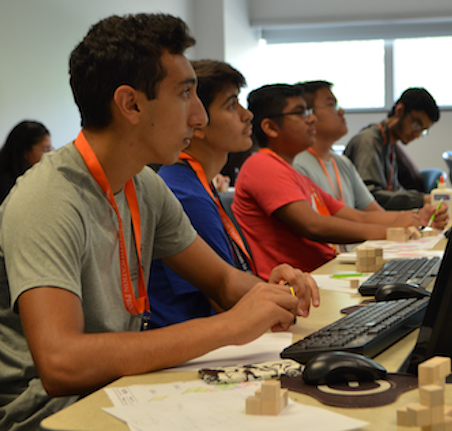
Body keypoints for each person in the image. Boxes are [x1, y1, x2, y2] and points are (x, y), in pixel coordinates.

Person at [0, 14, 318, 430]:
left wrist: (271, 293)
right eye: (186, 94)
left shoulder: (143, 185)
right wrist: (228, 326)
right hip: (51, 413)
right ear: (131, 104)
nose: (199, 117)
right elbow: (62, 364)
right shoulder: (47, 198)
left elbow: (222, 282)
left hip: (120, 390)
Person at [232, 84, 447, 279]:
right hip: (298, 287)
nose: (311, 118)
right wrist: (392, 230)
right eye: (300, 113)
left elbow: (359, 217)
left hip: (322, 276)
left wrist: (415, 217)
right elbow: (314, 225)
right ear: (270, 127)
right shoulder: (262, 164)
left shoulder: (293, 174)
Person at [148, 59, 257, 327]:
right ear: (198, 124)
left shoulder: (195, 182)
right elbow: (226, 300)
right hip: (189, 350)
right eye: (232, 105)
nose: (247, 115)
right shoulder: (184, 193)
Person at [293, 80, 443, 220]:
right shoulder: (368, 142)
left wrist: (418, 217)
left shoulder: (342, 162)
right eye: (332, 105)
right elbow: (365, 210)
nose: (341, 111)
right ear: (309, 116)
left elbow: (368, 215)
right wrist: (419, 206)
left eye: (422, 131)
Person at [344, 87, 440, 210]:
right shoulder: (369, 143)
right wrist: (421, 200)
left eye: (423, 131)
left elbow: (393, 191)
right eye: (416, 125)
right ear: (400, 110)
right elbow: (370, 198)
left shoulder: (389, 143)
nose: (417, 134)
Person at [0, 120, 52, 202]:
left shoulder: (36, 175)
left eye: (50, 149)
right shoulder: (5, 185)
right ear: (25, 152)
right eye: (45, 149)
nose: (50, 154)